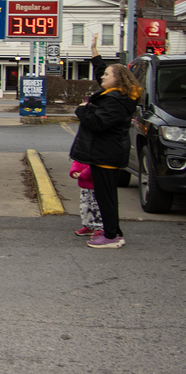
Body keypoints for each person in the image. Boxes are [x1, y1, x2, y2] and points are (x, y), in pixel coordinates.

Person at [69, 34, 141, 249]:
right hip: (106, 153)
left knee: (106, 197)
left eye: (108, 75)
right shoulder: (117, 94)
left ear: (117, 80)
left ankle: (111, 236)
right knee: (105, 196)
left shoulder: (115, 101)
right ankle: (113, 230)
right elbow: (101, 70)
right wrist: (94, 50)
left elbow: (98, 124)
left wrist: (82, 111)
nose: (102, 77)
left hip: (105, 155)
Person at [69, 160, 102, 237]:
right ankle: (88, 226)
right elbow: (77, 160)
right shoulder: (84, 150)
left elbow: (95, 166)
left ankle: (100, 228)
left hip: (95, 184)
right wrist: (74, 171)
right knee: (85, 206)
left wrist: (82, 174)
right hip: (84, 184)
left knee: (96, 207)